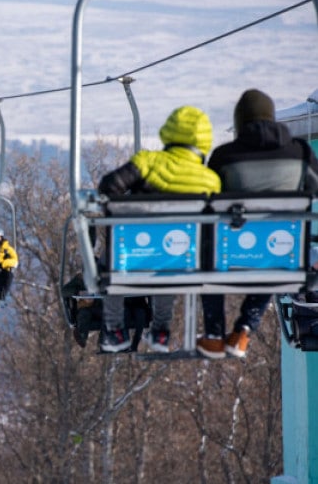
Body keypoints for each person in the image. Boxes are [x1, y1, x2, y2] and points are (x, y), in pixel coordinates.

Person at [197, 89, 318, 359]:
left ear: (240, 121)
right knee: (272, 260)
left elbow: (208, 196)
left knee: (209, 264)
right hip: (284, 252)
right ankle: (244, 328)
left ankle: (215, 335)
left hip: (231, 251)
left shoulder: (224, 156)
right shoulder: (299, 151)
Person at [98, 105, 221, 353]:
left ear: (169, 131)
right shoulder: (210, 179)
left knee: (109, 263)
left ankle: (115, 329)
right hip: (183, 259)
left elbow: (109, 187)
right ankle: (161, 331)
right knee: (170, 257)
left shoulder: (148, 162)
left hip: (132, 256)